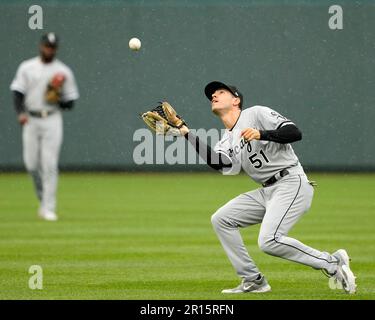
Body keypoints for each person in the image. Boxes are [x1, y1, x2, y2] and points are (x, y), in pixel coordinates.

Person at [178, 81, 356, 294]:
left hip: (291, 182)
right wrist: (185, 133)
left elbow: (294, 132)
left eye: (221, 92)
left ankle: (332, 263)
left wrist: (262, 134)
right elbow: (219, 163)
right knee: (221, 219)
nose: (214, 95)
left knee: (269, 241)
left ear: (236, 100)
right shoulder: (226, 139)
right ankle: (253, 280)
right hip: (267, 191)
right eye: (212, 94)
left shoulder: (256, 113)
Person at [10, 32, 79, 221]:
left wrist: (58, 96)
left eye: (53, 47)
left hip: (52, 119)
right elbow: (17, 92)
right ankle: (43, 200)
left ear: (56, 49)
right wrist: (20, 113)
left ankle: (49, 207)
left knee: (49, 165)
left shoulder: (63, 71)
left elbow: (71, 102)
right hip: (31, 119)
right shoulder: (27, 67)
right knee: (31, 165)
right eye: (47, 46)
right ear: (41, 46)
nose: (49, 49)